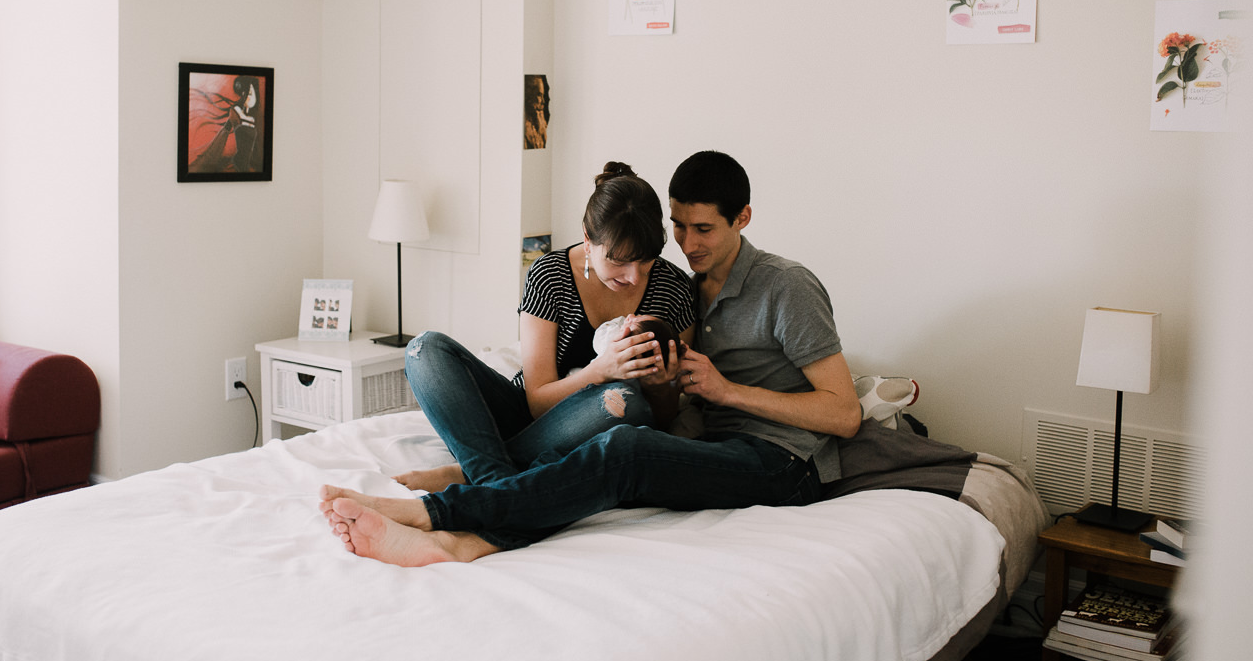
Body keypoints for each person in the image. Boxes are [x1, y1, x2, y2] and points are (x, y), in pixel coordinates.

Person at [321, 150, 861, 566]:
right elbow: (552, 398)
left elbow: (846, 413)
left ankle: (448, 519)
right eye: (679, 226)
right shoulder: (695, 287)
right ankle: (484, 496)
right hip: (706, 441)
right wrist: (660, 379)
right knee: (428, 348)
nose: (687, 244)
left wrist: (718, 390)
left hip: (784, 462)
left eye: (703, 230)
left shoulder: (782, 287)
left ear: (743, 217)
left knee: (623, 440)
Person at [392, 161, 696, 495]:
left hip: (598, 421)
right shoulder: (550, 275)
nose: (634, 276)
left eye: (646, 260)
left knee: (626, 404)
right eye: (619, 261)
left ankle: (480, 473)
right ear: (588, 240)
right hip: (525, 415)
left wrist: (661, 386)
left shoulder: (674, 290)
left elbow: (665, 418)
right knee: (425, 349)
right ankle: (497, 479)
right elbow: (536, 402)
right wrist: (602, 369)